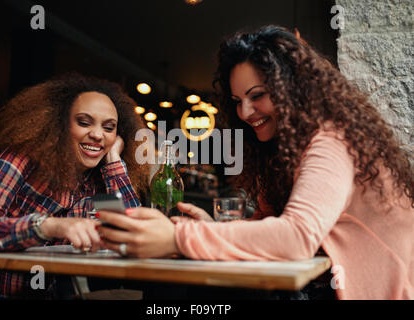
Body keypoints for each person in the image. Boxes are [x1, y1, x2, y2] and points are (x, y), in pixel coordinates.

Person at [97, 26, 414, 300]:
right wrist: (211, 229)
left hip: (371, 289)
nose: (245, 112)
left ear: (294, 90)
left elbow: (296, 238)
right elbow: (269, 224)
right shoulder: (283, 151)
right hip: (329, 284)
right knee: (176, 288)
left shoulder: (331, 141)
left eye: (257, 95)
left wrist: (176, 238)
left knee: (183, 290)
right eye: (237, 102)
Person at [0, 73, 149, 299]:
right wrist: (48, 226)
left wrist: (113, 162)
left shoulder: (100, 179)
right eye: (84, 122)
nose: (98, 135)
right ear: (59, 123)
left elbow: (130, 236)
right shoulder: (21, 159)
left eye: (109, 128)